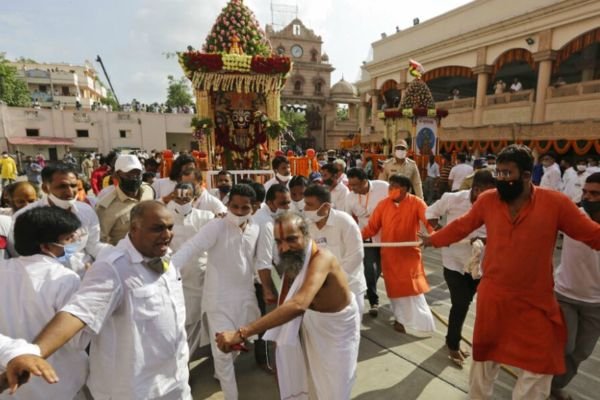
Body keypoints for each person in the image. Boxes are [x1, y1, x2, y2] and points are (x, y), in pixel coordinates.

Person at [422, 144, 600, 400]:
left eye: (508, 174)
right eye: (499, 174)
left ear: (527, 175)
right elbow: (463, 225)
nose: (502, 179)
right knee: (485, 358)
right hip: (494, 297)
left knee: (540, 362)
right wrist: (434, 239)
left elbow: (592, 234)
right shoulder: (488, 200)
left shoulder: (556, 203)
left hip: (535, 300)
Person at [4, 201, 193, 400]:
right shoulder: (113, 267)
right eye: (157, 228)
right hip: (135, 389)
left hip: (176, 379)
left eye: (170, 227)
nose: (167, 235)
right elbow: (78, 312)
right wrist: (32, 353)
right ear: (134, 228)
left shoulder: (166, 259)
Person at [216, 212, 360, 400]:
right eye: (279, 241)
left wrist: (241, 333)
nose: (284, 247)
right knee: (313, 384)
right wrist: (279, 348)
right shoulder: (294, 260)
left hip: (338, 332)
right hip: (312, 325)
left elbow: (298, 304)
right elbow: (284, 302)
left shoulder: (322, 259)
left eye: (291, 239)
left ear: (306, 235)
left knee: (336, 389)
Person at [171, 184, 260, 400]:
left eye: (244, 208)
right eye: (234, 206)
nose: (238, 212)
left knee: (237, 346)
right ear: (227, 205)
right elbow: (191, 248)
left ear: (254, 208)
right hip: (218, 300)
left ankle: (220, 374)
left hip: (246, 297)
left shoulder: (256, 228)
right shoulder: (217, 226)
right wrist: (167, 271)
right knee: (222, 353)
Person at [0, 207, 88, 400]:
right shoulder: (65, 278)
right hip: (55, 381)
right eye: (68, 239)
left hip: (10, 382)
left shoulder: (2, 270)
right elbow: (78, 340)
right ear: (46, 246)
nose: (74, 243)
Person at [426, 170, 496, 366]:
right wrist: (440, 234)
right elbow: (430, 213)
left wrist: (484, 239)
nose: (490, 198)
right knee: (460, 304)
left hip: (480, 264)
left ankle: (464, 341)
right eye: (486, 194)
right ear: (476, 189)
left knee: (474, 303)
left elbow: (503, 232)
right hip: (453, 263)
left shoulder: (496, 205)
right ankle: (453, 344)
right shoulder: (452, 199)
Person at [362, 174, 435, 333]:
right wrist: (354, 237)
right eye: (390, 186)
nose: (390, 189)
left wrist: (434, 236)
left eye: (394, 186)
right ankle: (399, 319)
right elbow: (372, 228)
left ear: (404, 189)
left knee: (412, 287)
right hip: (389, 254)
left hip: (409, 253)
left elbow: (429, 221)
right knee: (394, 288)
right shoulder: (383, 205)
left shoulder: (416, 202)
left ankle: (422, 322)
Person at [551, 172, 600, 400]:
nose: (588, 197)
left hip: (596, 303)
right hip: (565, 294)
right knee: (565, 347)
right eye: (585, 192)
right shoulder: (572, 214)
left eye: (595, 194)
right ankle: (542, 385)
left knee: (581, 352)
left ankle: (554, 386)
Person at [13, 164, 104, 277]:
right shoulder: (25, 217)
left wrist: (113, 256)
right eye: (62, 186)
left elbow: (93, 245)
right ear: (45, 188)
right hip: (46, 281)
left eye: (73, 185)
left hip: (85, 275)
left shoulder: (86, 211)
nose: (70, 192)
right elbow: (23, 256)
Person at [166, 182, 214, 359]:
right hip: (175, 276)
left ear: (194, 198)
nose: (182, 202)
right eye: (178, 198)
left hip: (201, 275)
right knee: (185, 320)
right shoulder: (166, 217)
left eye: (186, 198)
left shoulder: (206, 216)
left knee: (200, 318)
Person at [303, 184, 367, 315]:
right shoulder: (307, 226)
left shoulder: (344, 221)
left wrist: (335, 280)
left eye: (309, 205)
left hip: (349, 287)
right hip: (320, 289)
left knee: (350, 332)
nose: (305, 208)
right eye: (305, 204)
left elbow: (356, 255)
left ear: (325, 206)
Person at [344, 167, 389, 317]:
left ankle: (369, 289)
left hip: (388, 236)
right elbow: (348, 220)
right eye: (351, 185)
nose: (353, 188)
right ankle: (374, 301)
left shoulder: (383, 187)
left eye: (356, 185)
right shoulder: (350, 198)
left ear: (365, 181)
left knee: (381, 268)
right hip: (366, 237)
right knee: (369, 268)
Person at [96, 154, 154, 245]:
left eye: (137, 174)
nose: (134, 178)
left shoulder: (148, 190)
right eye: (129, 175)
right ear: (116, 175)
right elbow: (100, 241)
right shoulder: (105, 208)